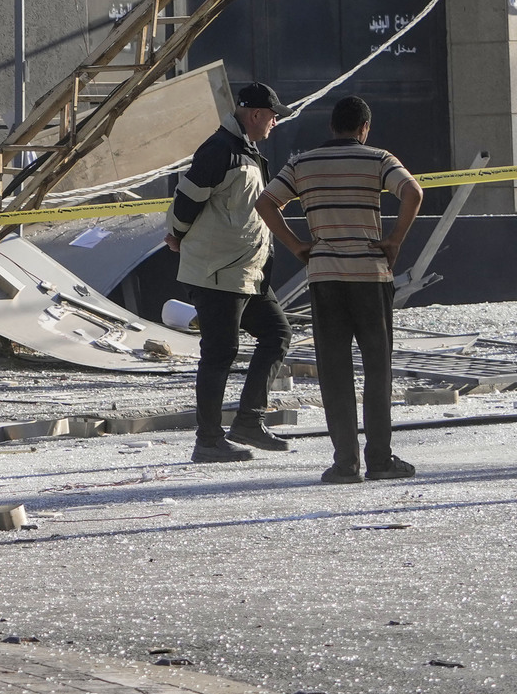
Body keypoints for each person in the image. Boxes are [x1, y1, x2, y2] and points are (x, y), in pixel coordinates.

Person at [259, 95, 425, 485]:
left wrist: (297, 244)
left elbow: (266, 203)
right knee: (377, 370)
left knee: (334, 372)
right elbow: (414, 193)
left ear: (332, 126)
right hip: (371, 277)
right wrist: (395, 239)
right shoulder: (379, 158)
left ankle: (345, 463)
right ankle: (380, 459)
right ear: (364, 128)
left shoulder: (301, 163)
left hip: (325, 279)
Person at [171, 81, 294, 464]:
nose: (275, 123)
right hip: (217, 272)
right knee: (220, 353)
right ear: (256, 114)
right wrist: (176, 235)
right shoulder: (220, 149)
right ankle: (207, 440)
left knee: (277, 334)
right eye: (273, 116)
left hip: (246, 271)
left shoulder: (246, 151)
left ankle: (248, 422)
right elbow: (187, 199)